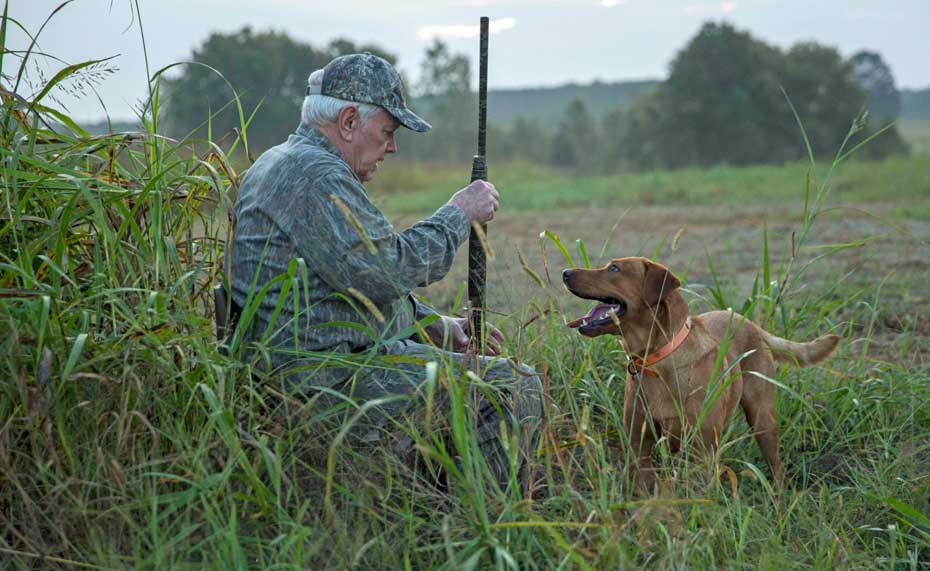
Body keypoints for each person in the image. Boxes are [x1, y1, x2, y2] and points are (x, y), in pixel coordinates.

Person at [229, 53, 543, 490]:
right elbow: (386, 270)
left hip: (300, 367)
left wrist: (434, 324)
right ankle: (487, 521)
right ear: (349, 121)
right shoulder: (316, 176)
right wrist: (459, 214)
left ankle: (432, 505)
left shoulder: (281, 161)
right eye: (388, 132)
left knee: (476, 382)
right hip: (321, 382)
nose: (392, 148)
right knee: (511, 386)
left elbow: (344, 282)